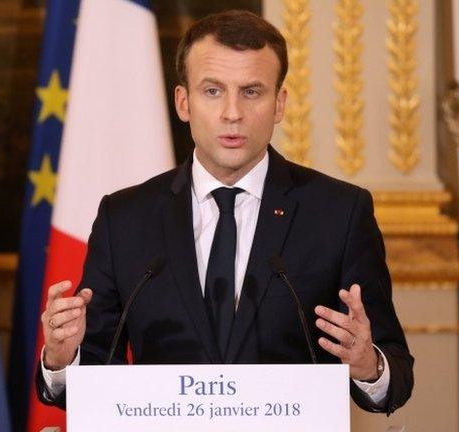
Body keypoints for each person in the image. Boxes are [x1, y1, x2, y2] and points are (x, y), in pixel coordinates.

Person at [35, 9, 413, 414]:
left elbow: (395, 380)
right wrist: (60, 360)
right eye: (213, 91)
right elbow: (90, 378)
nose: (232, 113)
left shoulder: (339, 212)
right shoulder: (125, 218)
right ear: (184, 102)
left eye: (252, 92)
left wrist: (368, 365)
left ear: (280, 103)